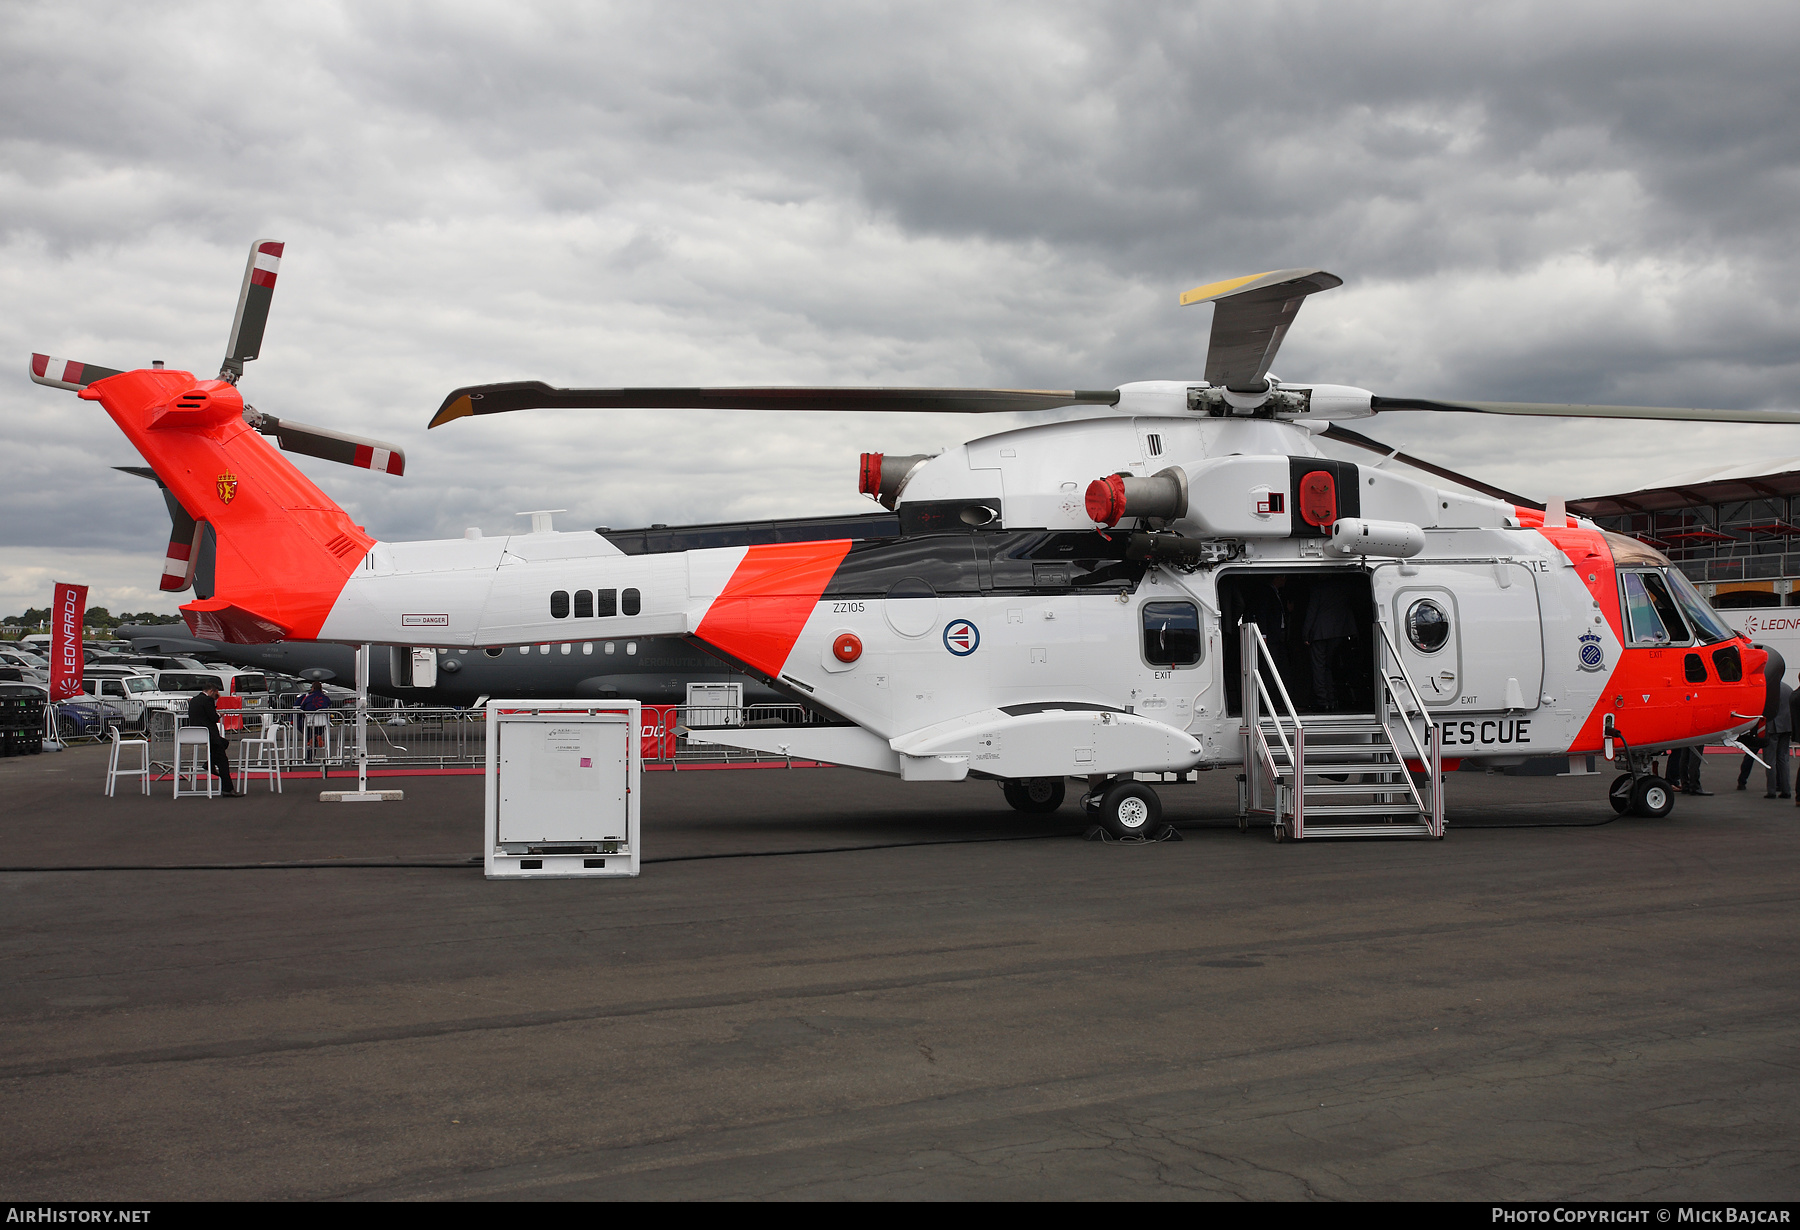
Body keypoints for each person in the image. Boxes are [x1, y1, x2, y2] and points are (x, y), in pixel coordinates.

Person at [1302, 578, 1359, 710]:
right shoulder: (1343, 586)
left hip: (1320, 632)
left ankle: (1322, 700)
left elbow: (1312, 611)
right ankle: (1331, 698)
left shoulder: (1318, 587)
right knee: (1328, 666)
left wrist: (1305, 633)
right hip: (1339, 631)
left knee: (1318, 667)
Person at [186, 680, 239, 797]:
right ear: (211, 691)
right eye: (216, 694)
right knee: (223, 761)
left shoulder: (193, 700)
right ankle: (228, 788)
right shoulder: (208, 700)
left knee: (224, 743)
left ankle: (210, 763)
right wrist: (219, 714)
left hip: (197, 733)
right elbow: (213, 717)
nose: (216, 697)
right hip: (209, 734)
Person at [1766, 679, 1794, 798]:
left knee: (1770, 760)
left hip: (1772, 728)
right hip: (1787, 727)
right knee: (1784, 759)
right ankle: (1786, 789)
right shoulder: (1788, 689)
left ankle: (1771, 791)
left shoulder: (1768, 689)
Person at [296, 680, 332, 762]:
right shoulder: (325, 697)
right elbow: (329, 703)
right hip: (322, 722)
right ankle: (317, 736)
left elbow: (302, 708)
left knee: (303, 727)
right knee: (321, 728)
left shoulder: (308, 697)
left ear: (313, 688)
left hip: (309, 722)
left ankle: (311, 739)